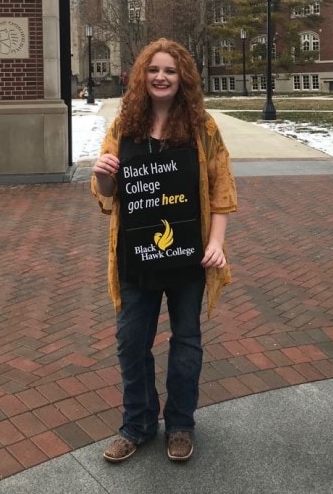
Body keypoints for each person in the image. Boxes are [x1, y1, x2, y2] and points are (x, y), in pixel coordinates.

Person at [91, 38, 237, 463]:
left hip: (188, 258)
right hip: (136, 258)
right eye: (154, 70)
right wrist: (102, 175)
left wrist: (215, 243)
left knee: (186, 341)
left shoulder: (202, 128)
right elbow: (107, 194)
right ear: (142, 76)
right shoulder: (123, 127)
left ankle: (179, 424)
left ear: (183, 78)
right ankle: (137, 423)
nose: (161, 77)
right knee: (131, 342)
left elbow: (222, 189)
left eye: (170, 71)